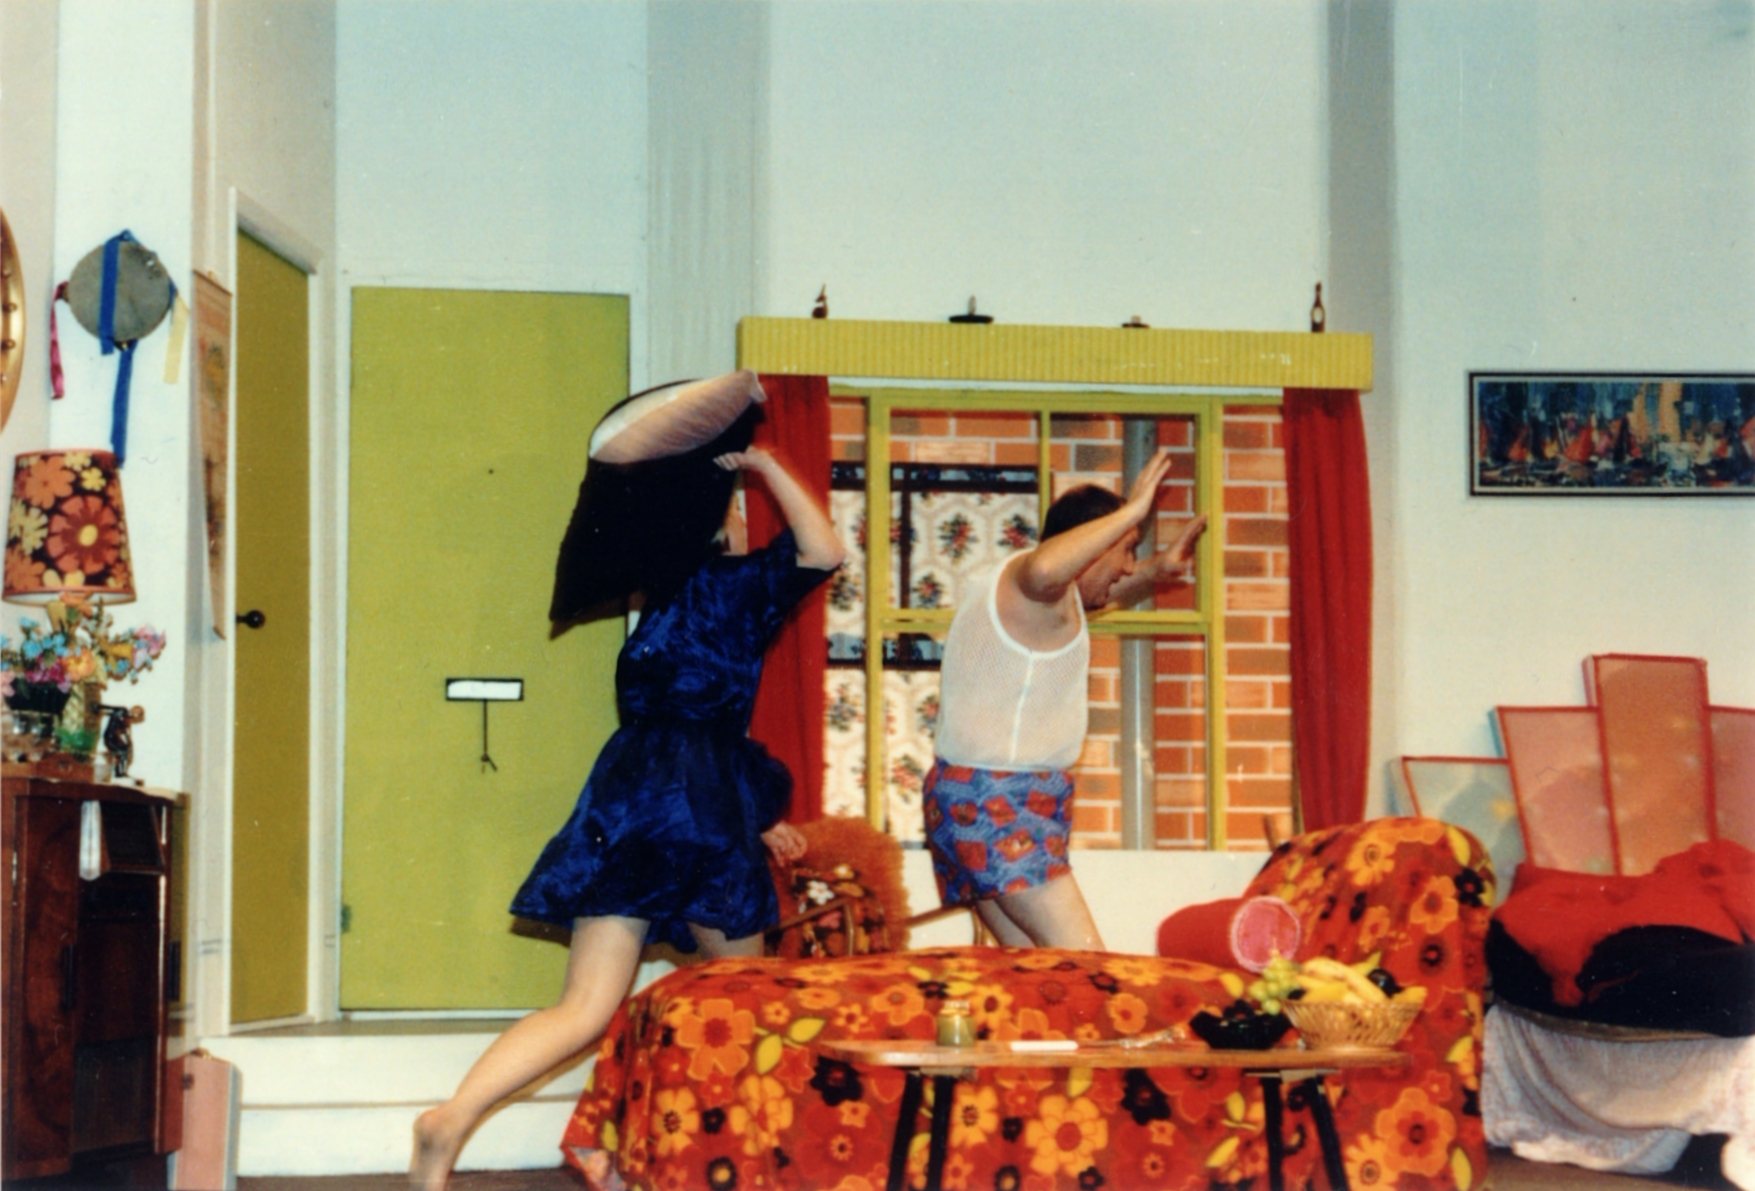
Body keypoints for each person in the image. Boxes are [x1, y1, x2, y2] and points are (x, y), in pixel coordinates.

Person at [410, 446, 842, 1191]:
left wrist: (751, 816)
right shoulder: (732, 588)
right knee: (755, 997)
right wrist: (768, 465)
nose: (747, 519)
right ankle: (723, 1160)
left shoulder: (656, 598)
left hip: (631, 794)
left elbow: (686, 734)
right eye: (738, 506)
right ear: (719, 522)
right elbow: (825, 550)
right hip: (697, 809)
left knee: (583, 1006)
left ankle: (452, 1116)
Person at [924, 448, 1207, 951]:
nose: (1128, 565)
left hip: (979, 796)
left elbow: (1100, 590)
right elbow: (1047, 568)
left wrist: (1159, 570)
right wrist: (1131, 511)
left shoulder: (1046, 603)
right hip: (998, 801)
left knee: (1037, 971)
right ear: (1090, 545)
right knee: (1089, 967)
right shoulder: (1030, 582)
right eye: (1127, 549)